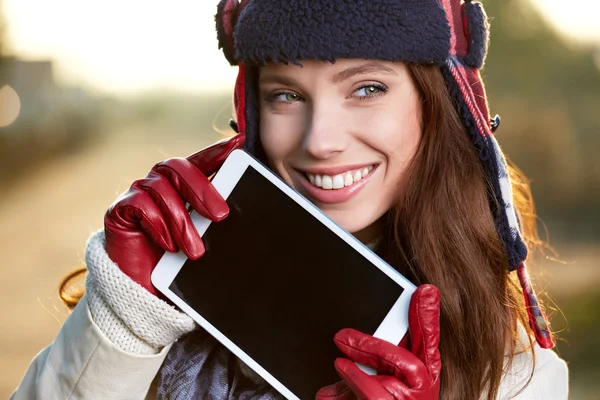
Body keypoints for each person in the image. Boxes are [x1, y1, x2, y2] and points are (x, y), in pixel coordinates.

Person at [11, 0, 569, 399]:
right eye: (285, 94)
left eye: (366, 88)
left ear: (437, 105)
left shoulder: (519, 377)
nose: (319, 140)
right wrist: (122, 322)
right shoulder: (174, 303)